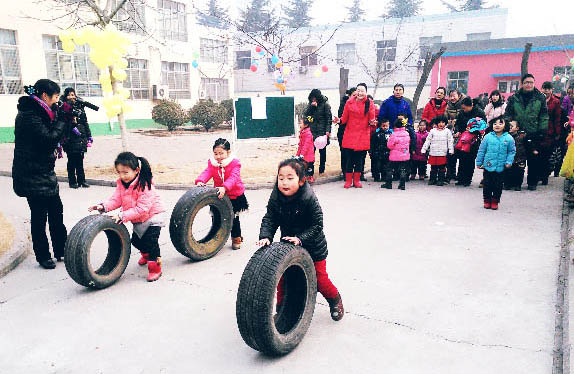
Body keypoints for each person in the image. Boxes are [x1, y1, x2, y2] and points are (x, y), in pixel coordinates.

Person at [256, 157, 344, 321]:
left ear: (301, 181)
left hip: (313, 246)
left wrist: (300, 238)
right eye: (281, 178)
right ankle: (281, 311)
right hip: (288, 245)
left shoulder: (308, 197)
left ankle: (335, 300)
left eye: (290, 178)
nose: (284, 183)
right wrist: (266, 236)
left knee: (319, 279)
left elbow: (317, 225)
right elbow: (270, 218)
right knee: (282, 278)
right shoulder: (276, 195)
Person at [12, 79, 69, 269]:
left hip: (45, 172)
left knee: (56, 212)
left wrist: (65, 120)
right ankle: (43, 256)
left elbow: (56, 133)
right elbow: (49, 139)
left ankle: (61, 249)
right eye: (56, 97)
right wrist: (62, 120)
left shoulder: (44, 112)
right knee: (39, 217)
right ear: (45, 96)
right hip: (31, 175)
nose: (57, 101)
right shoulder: (29, 115)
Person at [89, 152, 166, 281]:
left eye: (125, 172)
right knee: (136, 241)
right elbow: (116, 200)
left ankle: (155, 268)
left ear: (136, 170)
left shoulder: (144, 185)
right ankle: (146, 255)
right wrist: (103, 206)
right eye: (119, 172)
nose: (122, 176)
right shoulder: (121, 184)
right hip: (137, 217)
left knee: (151, 243)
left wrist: (122, 215)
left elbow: (143, 208)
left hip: (153, 216)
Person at [195, 138, 249, 249]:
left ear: (228, 152)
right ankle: (215, 238)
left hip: (234, 194)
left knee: (233, 218)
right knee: (216, 217)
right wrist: (201, 180)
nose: (218, 156)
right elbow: (208, 172)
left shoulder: (235, 163)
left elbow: (234, 178)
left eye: (221, 153)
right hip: (219, 194)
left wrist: (225, 187)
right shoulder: (212, 163)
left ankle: (236, 238)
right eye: (216, 153)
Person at [505, 74, 549, 190]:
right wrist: (510, 125)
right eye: (526, 82)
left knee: (533, 158)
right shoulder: (514, 97)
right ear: (522, 84)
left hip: (534, 132)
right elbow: (508, 114)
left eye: (531, 82)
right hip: (517, 132)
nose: (528, 84)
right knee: (516, 158)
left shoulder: (540, 97)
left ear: (534, 83)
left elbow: (544, 115)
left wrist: (542, 131)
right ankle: (515, 182)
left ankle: (532, 182)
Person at [335, 83, 376, 188]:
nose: (360, 93)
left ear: (366, 92)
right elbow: (344, 119)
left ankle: (357, 181)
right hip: (350, 134)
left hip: (362, 135)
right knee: (349, 159)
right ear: (355, 91)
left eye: (362, 91)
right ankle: (348, 181)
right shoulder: (349, 102)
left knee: (359, 160)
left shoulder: (369, 103)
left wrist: (373, 122)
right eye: (358, 90)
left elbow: (372, 119)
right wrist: (339, 120)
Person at [476, 116, 516, 210]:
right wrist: (479, 162)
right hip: (488, 165)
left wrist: (509, 162)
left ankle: (495, 201)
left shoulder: (509, 138)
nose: (497, 125)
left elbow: (511, 152)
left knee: (498, 185)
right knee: (487, 184)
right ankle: (487, 200)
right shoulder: (487, 137)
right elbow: (482, 150)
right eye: (495, 124)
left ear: (505, 125)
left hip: (500, 167)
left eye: (500, 123)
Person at [61, 87, 92, 189]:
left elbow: (85, 122)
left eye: (73, 95)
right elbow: (62, 123)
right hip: (70, 138)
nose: (71, 97)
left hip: (81, 137)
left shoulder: (80, 107)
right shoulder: (63, 108)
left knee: (80, 160)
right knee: (72, 161)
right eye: (69, 95)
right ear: (65, 96)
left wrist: (89, 135)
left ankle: (82, 180)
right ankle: (72, 181)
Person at [303, 89, 332, 175]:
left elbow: (328, 119)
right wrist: (312, 107)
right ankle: (310, 169)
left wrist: (328, 130)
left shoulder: (325, 105)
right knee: (311, 151)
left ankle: (322, 169)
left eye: (315, 98)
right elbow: (306, 115)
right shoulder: (310, 105)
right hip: (312, 131)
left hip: (322, 131)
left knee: (322, 151)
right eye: (312, 98)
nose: (313, 100)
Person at [421, 115, 454, 186]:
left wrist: (451, 150)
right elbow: (428, 141)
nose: (441, 124)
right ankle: (432, 179)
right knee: (433, 167)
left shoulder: (447, 131)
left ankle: (441, 180)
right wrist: (424, 149)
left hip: (442, 153)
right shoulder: (432, 131)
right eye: (439, 122)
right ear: (436, 123)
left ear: (445, 123)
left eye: (443, 122)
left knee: (442, 167)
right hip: (433, 152)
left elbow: (450, 141)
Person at [540, 81, 562, 185]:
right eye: (545, 88)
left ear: (552, 90)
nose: (546, 91)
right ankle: (538, 175)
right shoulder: (538, 99)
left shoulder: (556, 101)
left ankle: (544, 176)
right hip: (538, 130)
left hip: (550, 131)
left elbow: (557, 118)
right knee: (537, 154)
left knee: (547, 155)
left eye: (548, 89)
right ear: (541, 89)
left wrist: (557, 133)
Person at [454, 118, 486, 187]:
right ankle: (461, 179)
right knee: (462, 164)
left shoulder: (478, 135)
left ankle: (467, 180)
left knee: (469, 165)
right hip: (464, 150)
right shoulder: (466, 132)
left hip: (471, 151)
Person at [445, 89, 466, 180]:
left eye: (454, 96)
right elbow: (445, 118)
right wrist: (450, 123)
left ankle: (461, 175)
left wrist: (456, 122)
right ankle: (451, 173)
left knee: (461, 154)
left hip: (462, 131)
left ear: (459, 96)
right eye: (451, 96)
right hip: (451, 131)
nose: (452, 98)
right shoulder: (448, 106)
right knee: (451, 152)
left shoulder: (463, 104)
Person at [387, 118, 411, 190]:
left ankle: (389, 184)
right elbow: (408, 143)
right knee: (402, 169)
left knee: (389, 169)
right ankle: (402, 184)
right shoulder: (407, 134)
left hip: (394, 156)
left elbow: (389, 145)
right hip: (404, 155)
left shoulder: (394, 135)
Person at [337, 88, 356, 175]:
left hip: (354, 132)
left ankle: (354, 171)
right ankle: (345, 171)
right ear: (349, 96)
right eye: (353, 95)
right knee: (345, 152)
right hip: (344, 131)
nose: (355, 97)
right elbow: (342, 118)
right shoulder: (344, 104)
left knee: (354, 153)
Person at [504, 121, 527, 191]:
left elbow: (526, 146)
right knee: (507, 171)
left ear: (517, 128)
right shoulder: (505, 136)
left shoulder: (521, 137)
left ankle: (518, 185)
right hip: (508, 158)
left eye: (512, 126)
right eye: (509, 126)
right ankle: (507, 184)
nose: (510, 127)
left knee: (519, 171)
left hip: (520, 157)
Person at [370, 117, 392, 184]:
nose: (385, 127)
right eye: (383, 126)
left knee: (385, 166)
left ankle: (384, 176)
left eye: (386, 126)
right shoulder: (376, 134)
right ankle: (376, 177)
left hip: (386, 152)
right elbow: (372, 143)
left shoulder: (390, 134)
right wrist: (371, 151)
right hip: (377, 152)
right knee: (377, 165)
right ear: (380, 126)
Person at [296, 116, 316, 182]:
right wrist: (297, 154)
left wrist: (302, 154)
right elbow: (300, 145)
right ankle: (305, 178)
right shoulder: (302, 133)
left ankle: (311, 177)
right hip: (304, 155)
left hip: (309, 155)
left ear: (306, 125)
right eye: (299, 123)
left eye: (301, 123)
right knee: (303, 167)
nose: (299, 125)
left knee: (309, 167)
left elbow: (305, 146)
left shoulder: (308, 134)